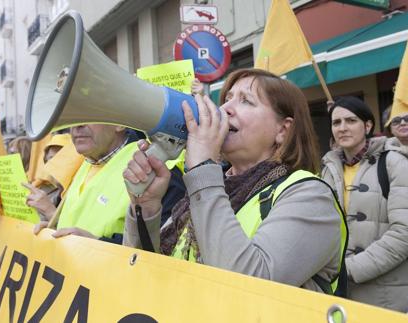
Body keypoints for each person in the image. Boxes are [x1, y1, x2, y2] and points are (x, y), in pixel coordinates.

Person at [123, 68, 346, 294]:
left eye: (246, 101)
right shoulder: (206, 190)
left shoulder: (311, 197)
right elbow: (145, 275)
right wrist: (146, 208)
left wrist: (202, 167)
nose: (225, 109)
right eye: (227, 99)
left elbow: (248, 286)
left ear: (283, 130)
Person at [321, 96, 408, 311]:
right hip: (338, 292)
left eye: (351, 120)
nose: (342, 128)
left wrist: (350, 269)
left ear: (367, 125)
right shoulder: (328, 169)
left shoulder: (394, 162)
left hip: (386, 292)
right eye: (336, 122)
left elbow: (406, 232)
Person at [33, 125, 186, 243]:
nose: (77, 126)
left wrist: (98, 245)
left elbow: (164, 249)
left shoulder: (158, 168)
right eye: (75, 118)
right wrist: (52, 230)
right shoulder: (82, 164)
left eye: (90, 113)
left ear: (119, 124)